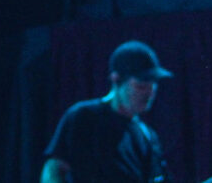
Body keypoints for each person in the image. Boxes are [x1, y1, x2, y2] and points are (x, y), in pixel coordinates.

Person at [41, 40, 173, 183]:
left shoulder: (147, 136)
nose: (149, 93)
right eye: (141, 86)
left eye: (153, 87)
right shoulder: (84, 116)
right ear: (116, 79)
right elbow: (54, 169)